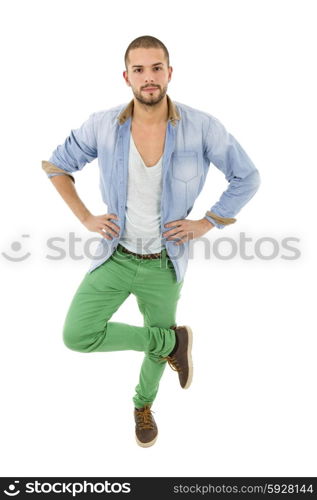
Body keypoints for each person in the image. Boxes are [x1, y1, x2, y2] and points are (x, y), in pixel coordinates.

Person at [42, 35, 261, 448]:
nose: (148, 78)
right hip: (116, 256)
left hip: (165, 262)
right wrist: (86, 217)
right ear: (126, 76)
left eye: (156, 68)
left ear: (169, 73)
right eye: (139, 70)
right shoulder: (103, 125)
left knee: (153, 341)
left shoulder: (201, 126)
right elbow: (57, 165)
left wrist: (209, 222)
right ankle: (170, 342)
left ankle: (143, 404)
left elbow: (246, 176)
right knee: (77, 335)